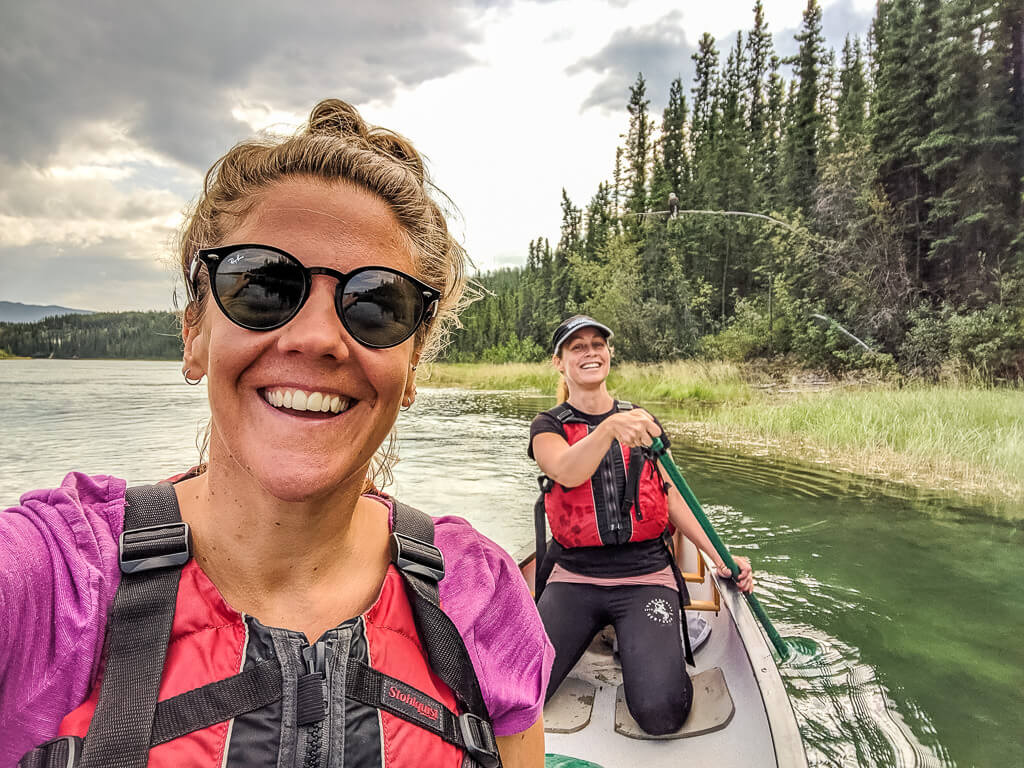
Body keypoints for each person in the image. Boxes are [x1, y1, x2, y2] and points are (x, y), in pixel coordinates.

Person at [1, 100, 552, 768]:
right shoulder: (56, 581)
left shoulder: (478, 593)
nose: (319, 337)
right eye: (263, 285)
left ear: (411, 368)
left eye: (378, 305)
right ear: (195, 333)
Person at [528, 315, 753, 736]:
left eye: (599, 344)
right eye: (578, 347)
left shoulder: (641, 422)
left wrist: (719, 556)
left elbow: (672, 498)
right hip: (575, 577)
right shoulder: (549, 426)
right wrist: (608, 428)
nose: (590, 352)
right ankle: (621, 636)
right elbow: (566, 470)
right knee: (518, 692)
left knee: (660, 714)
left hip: (645, 576)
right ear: (559, 362)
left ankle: (644, 637)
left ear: (609, 355)